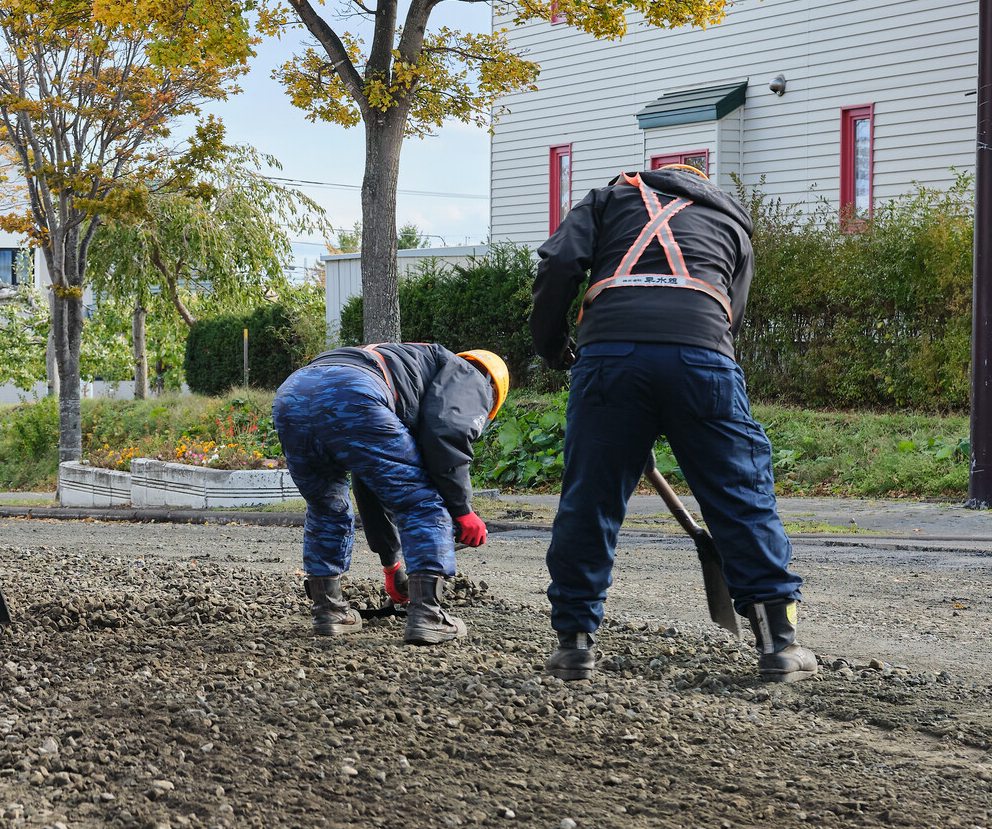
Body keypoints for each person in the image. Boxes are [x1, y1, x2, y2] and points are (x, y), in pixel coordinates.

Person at [532, 164, 813, 683]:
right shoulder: (731, 223)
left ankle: (573, 645)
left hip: (609, 360)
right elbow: (733, 312)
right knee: (740, 494)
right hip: (702, 357)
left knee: (590, 500)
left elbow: (559, 265)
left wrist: (554, 350)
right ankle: (779, 646)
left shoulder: (605, 200)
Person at [271, 344, 509, 645]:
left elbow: (370, 480)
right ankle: (428, 616)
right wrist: (463, 510)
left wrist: (392, 565)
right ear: (492, 392)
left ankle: (329, 612)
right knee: (421, 502)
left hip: (293, 393)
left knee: (325, 505)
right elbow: (447, 434)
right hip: (353, 388)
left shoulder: (416, 368)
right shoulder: (474, 376)